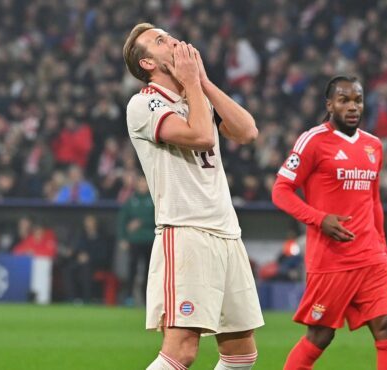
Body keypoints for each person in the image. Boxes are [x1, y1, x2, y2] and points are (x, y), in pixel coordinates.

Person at [122, 23, 263, 369]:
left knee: (242, 354)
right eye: (159, 41)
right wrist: (192, 85)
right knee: (181, 351)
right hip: (186, 234)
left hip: (227, 234)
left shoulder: (195, 97)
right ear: (147, 64)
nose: (171, 41)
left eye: (168, 35)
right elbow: (201, 135)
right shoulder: (143, 105)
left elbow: (247, 131)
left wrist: (202, 82)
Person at [272, 75, 387, 370]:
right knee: (320, 335)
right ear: (329, 104)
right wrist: (319, 219)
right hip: (331, 260)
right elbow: (280, 191)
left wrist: (383, 249)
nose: (352, 106)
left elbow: (374, 202)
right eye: (344, 100)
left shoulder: (374, 145)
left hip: (371, 257)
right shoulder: (313, 141)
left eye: (357, 100)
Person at [116, 174, 155, 305]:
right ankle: (129, 297)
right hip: (134, 241)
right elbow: (122, 220)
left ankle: (147, 299)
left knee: (150, 271)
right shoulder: (131, 200)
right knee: (131, 269)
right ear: (137, 184)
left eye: (145, 183)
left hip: (150, 240)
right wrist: (123, 238)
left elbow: (159, 219)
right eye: (140, 183)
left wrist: (141, 222)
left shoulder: (154, 200)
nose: (142, 185)